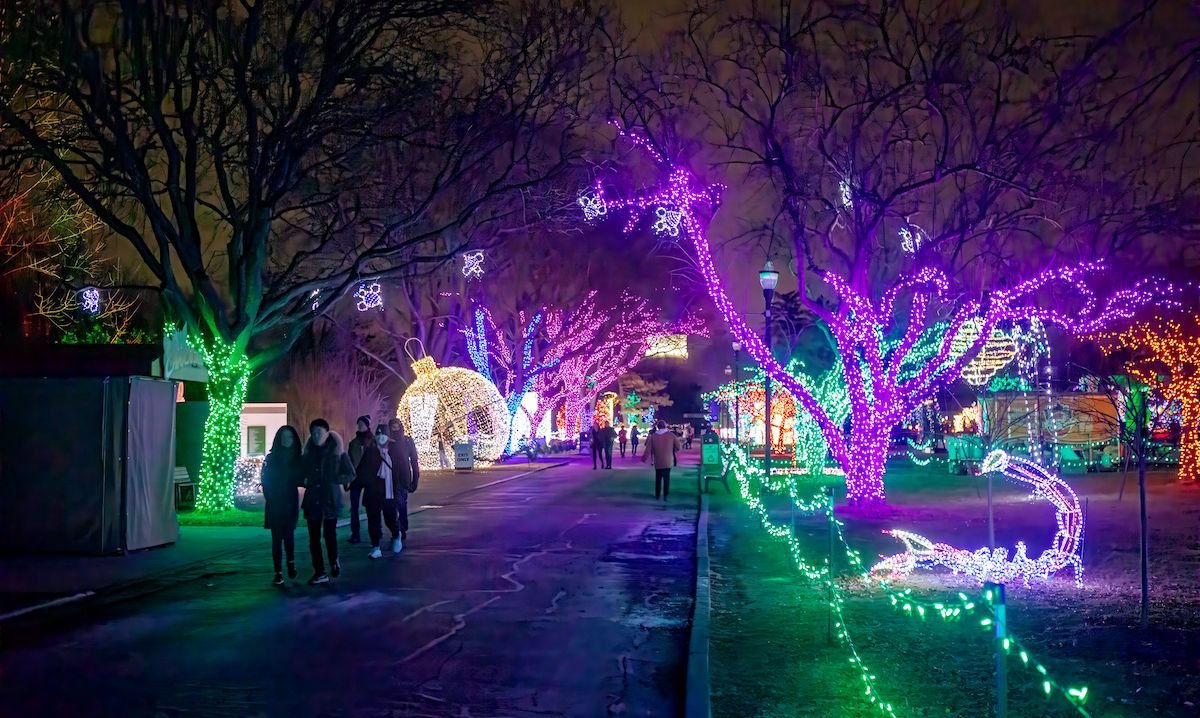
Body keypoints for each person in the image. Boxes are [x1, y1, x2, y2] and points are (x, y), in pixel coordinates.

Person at [301, 419, 355, 585]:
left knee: (329, 535)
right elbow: (301, 472)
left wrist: (336, 479)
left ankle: (334, 560)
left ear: (327, 432)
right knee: (314, 538)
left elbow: (351, 473)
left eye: (320, 431)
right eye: (314, 432)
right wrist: (303, 480)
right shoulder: (308, 453)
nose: (317, 435)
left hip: (330, 499)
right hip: (312, 499)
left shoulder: (338, 452)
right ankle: (319, 571)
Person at [262, 425, 303, 586]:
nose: (287, 439)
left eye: (290, 437)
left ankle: (291, 562)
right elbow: (265, 480)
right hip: (275, 503)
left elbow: (301, 478)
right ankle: (278, 572)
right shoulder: (271, 458)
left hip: (290, 501)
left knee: (289, 536)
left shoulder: (297, 458)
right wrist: (270, 497)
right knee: (276, 539)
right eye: (284, 436)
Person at [387, 418, 421, 551]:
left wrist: (415, 480)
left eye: (396, 426)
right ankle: (396, 529)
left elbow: (414, 461)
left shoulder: (407, 441)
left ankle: (402, 528)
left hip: (402, 479)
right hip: (389, 478)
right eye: (392, 427)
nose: (394, 429)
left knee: (401, 504)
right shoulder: (388, 442)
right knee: (391, 506)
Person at [346, 415, 373, 544]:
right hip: (356, 478)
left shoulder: (373, 441)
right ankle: (355, 533)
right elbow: (349, 461)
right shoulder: (353, 443)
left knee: (371, 506)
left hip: (369, 478)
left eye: (362, 424)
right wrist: (347, 478)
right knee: (354, 507)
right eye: (358, 424)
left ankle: (374, 531)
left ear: (368, 426)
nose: (360, 426)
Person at [642, 419, 682, 501]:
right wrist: (672, 451)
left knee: (658, 478)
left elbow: (648, 449)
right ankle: (666, 495)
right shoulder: (671, 435)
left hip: (658, 461)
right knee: (667, 478)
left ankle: (657, 494)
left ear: (657, 427)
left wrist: (644, 458)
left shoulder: (653, 436)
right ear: (665, 426)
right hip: (668, 461)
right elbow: (678, 447)